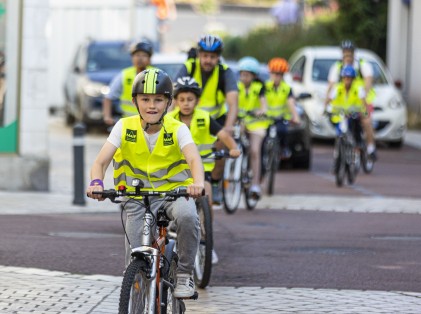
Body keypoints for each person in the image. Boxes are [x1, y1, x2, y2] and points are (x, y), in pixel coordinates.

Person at [87, 69, 203, 298]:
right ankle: (137, 287)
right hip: (137, 197)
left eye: (158, 100)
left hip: (173, 193)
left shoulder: (178, 129)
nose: (152, 105)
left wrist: (198, 182)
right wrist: (97, 182)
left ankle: (184, 275)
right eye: (145, 99)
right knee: (134, 254)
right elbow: (100, 162)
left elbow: (193, 158)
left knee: (188, 217)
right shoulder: (123, 126)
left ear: (169, 103)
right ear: (134, 101)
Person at [168, 76, 241, 263]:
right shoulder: (168, 120)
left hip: (202, 168)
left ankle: (206, 242)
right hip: (177, 171)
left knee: (206, 195)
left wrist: (233, 147)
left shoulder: (204, 117)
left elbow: (223, 134)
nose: (185, 104)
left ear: (197, 101)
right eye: (181, 99)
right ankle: (172, 228)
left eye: (190, 100)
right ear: (175, 101)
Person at [175, 34, 239, 205]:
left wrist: (229, 127)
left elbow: (233, 103)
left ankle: (215, 183)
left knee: (221, 144)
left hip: (215, 118)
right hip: (187, 116)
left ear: (218, 57)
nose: (208, 60)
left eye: (212, 57)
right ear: (199, 54)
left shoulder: (225, 72)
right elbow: (175, 96)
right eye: (204, 56)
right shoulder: (188, 67)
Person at [325, 39, 377, 160]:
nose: (347, 56)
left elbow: (368, 82)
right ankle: (339, 151)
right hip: (345, 101)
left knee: (366, 121)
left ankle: (371, 148)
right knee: (339, 122)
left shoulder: (362, 65)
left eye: (350, 53)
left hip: (362, 100)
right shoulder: (337, 67)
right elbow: (331, 86)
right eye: (345, 53)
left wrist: (363, 97)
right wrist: (327, 103)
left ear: (354, 53)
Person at [237, 56, 269, 198]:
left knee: (255, 150)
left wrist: (261, 111)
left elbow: (263, 104)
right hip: (241, 122)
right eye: (242, 74)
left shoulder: (259, 87)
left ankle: (255, 185)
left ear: (254, 76)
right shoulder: (236, 87)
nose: (243, 77)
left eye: (247, 75)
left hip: (257, 123)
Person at [102, 41, 154, 126]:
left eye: (144, 56)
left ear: (149, 59)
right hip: (128, 123)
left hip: (151, 123)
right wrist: (107, 117)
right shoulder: (124, 75)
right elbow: (108, 97)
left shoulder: (156, 74)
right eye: (137, 55)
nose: (140, 59)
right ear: (132, 58)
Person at [325, 65, 367, 167]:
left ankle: (358, 144)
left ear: (353, 79)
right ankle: (337, 157)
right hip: (340, 117)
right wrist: (326, 109)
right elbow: (329, 100)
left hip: (353, 116)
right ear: (342, 78)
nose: (347, 80)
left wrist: (363, 112)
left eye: (350, 78)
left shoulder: (358, 89)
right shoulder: (337, 88)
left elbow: (363, 103)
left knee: (357, 127)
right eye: (345, 78)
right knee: (339, 135)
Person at [265, 57, 300, 159]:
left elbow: (291, 103)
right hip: (266, 118)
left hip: (281, 118)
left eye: (279, 74)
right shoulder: (265, 87)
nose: (276, 77)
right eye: (274, 74)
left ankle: (283, 148)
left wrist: (295, 116)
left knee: (283, 131)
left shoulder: (287, 88)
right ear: (270, 74)